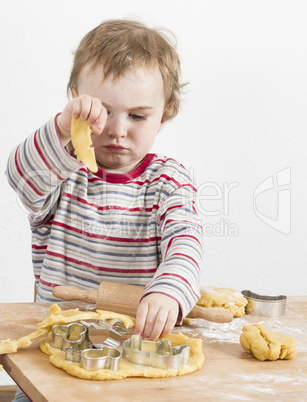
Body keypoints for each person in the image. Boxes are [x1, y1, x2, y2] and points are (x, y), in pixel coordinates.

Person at [6, 19, 203, 344]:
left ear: (165, 112)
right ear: (75, 98)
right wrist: (62, 127)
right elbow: (20, 176)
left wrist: (169, 291)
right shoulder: (60, 172)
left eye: (137, 116)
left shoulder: (169, 181)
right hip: (54, 346)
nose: (118, 130)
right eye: (103, 111)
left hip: (134, 348)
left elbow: (185, 242)